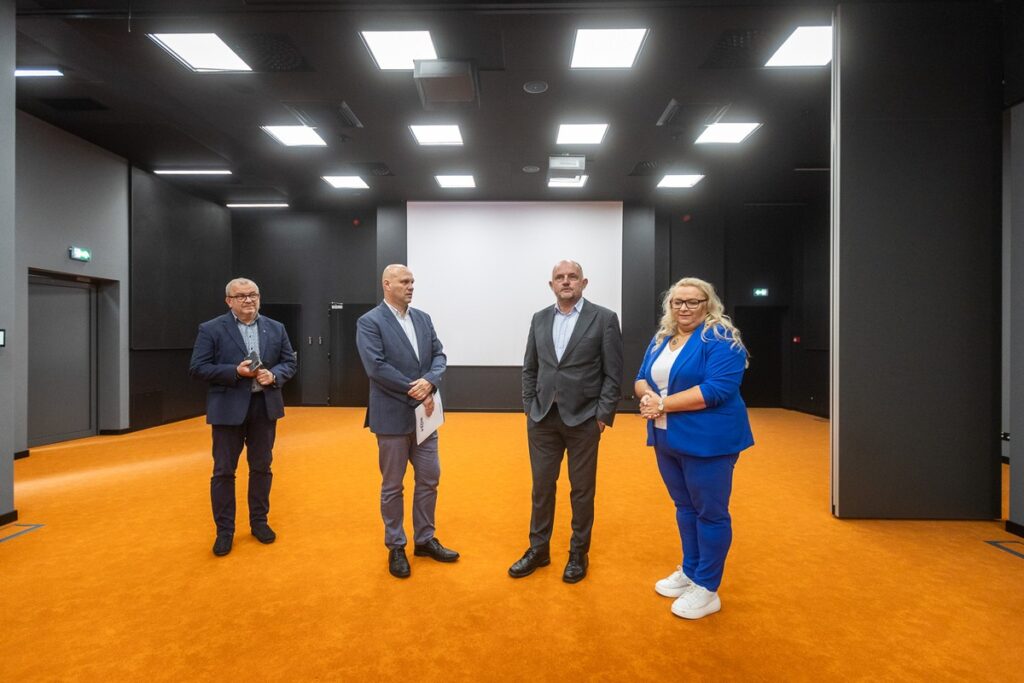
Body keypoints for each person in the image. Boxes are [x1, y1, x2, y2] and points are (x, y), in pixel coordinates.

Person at [634, 277, 754, 619]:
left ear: (708, 304)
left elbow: (718, 389)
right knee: (684, 507)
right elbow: (641, 377)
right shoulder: (663, 338)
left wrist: (662, 404)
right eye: (678, 302)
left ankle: (707, 588)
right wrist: (648, 398)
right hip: (666, 436)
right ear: (669, 306)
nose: (684, 308)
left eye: (693, 302)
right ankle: (690, 570)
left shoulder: (720, 338)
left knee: (710, 512)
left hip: (708, 440)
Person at [510, 259, 623, 583]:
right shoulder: (540, 318)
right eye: (559, 277)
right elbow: (530, 368)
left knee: (582, 490)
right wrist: (529, 407)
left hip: (584, 419)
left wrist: (602, 417)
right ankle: (539, 549)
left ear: (584, 283)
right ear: (551, 285)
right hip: (543, 419)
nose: (566, 281)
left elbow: (613, 373)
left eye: (572, 277)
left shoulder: (604, 319)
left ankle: (578, 553)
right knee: (542, 488)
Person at [355, 264, 459, 579]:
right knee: (392, 485)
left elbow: (439, 356)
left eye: (412, 281)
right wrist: (417, 389)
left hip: (425, 416)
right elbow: (376, 367)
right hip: (392, 416)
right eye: (404, 281)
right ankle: (396, 545)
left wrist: (430, 381)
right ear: (387, 284)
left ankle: (425, 539)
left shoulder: (423, 319)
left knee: (430, 478)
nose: (411, 286)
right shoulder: (370, 322)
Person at [189, 278, 297, 557]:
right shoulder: (211, 329)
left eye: (253, 295)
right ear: (229, 301)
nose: (248, 300)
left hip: (265, 406)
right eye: (241, 296)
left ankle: (259, 522)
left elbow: (290, 362)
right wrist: (235, 372)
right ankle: (224, 531)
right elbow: (198, 368)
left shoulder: (276, 327)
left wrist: (275, 375)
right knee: (224, 471)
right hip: (227, 410)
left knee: (262, 467)